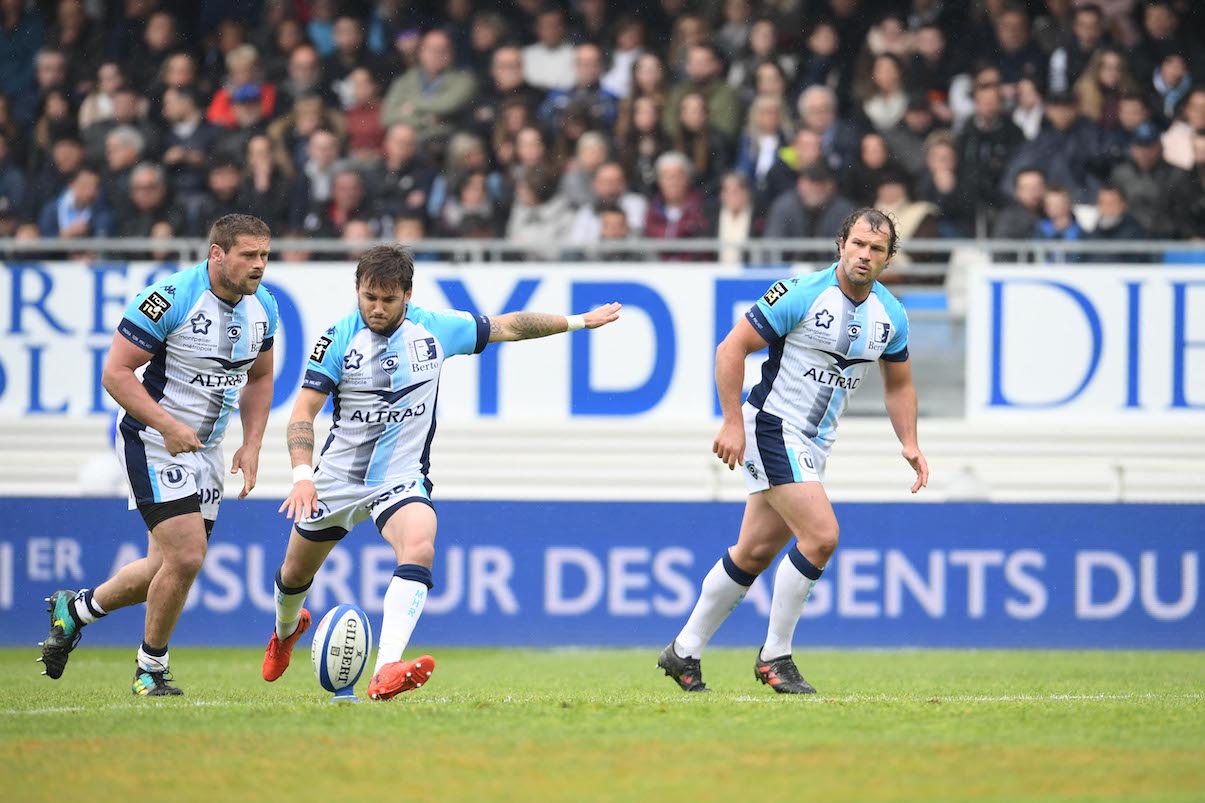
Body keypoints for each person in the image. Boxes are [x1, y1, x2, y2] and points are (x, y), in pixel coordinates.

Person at [261, 245, 621, 701]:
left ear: (408, 296)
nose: (376, 307)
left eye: (387, 300)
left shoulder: (435, 330)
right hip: (336, 479)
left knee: (421, 544)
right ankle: (285, 630)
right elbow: (302, 413)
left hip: (400, 479)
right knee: (294, 575)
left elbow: (510, 326)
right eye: (369, 296)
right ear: (357, 291)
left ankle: (386, 668)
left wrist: (578, 321)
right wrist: (302, 477)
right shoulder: (336, 340)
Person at [658, 208, 928, 694]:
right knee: (822, 536)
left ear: (888, 259)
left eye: (877, 250)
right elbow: (731, 348)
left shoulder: (892, 315)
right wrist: (731, 422)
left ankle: (684, 651)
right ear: (841, 244)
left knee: (754, 552)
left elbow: (900, 384)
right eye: (858, 245)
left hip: (815, 442)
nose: (865, 256)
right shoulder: (801, 293)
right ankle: (775, 657)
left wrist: (909, 442)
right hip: (773, 428)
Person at [40, 214, 277, 697]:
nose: (259, 266)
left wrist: (251, 443)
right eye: (249, 255)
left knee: (164, 566)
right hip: (152, 439)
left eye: (264, 256)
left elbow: (260, 378)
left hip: (205, 450)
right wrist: (167, 425)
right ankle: (150, 670)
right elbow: (115, 373)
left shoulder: (264, 306)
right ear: (217, 254)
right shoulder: (170, 298)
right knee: (188, 556)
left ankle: (76, 610)